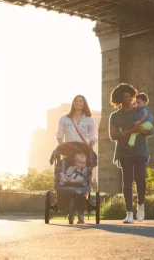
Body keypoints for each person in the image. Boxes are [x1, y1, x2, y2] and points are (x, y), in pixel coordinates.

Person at [108, 83, 154, 224]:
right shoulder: (115, 116)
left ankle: (141, 204)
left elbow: (152, 131)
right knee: (127, 181)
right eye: (126, 97)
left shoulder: (139, 111)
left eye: (130, 96)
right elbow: (113, 135)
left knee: (140, 177)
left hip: (140, 150)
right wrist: (129, 132)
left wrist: (141, 131)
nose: (129, 99)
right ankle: (129, 212)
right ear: (119, 100)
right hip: (124, 151)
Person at [56, 95, 96, 224]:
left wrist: (90, 148)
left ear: (84, 104)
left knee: (82, 179)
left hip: (83, 152)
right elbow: (60, 134)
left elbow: (92, 136)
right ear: (72, 103)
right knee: (66, 175)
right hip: (69, 150)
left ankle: (81, 213)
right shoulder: (64, 119)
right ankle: (66, 204)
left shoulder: (89, 120)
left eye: (81, 101)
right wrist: (61, 146)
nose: (78, 103)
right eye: (76, 101)